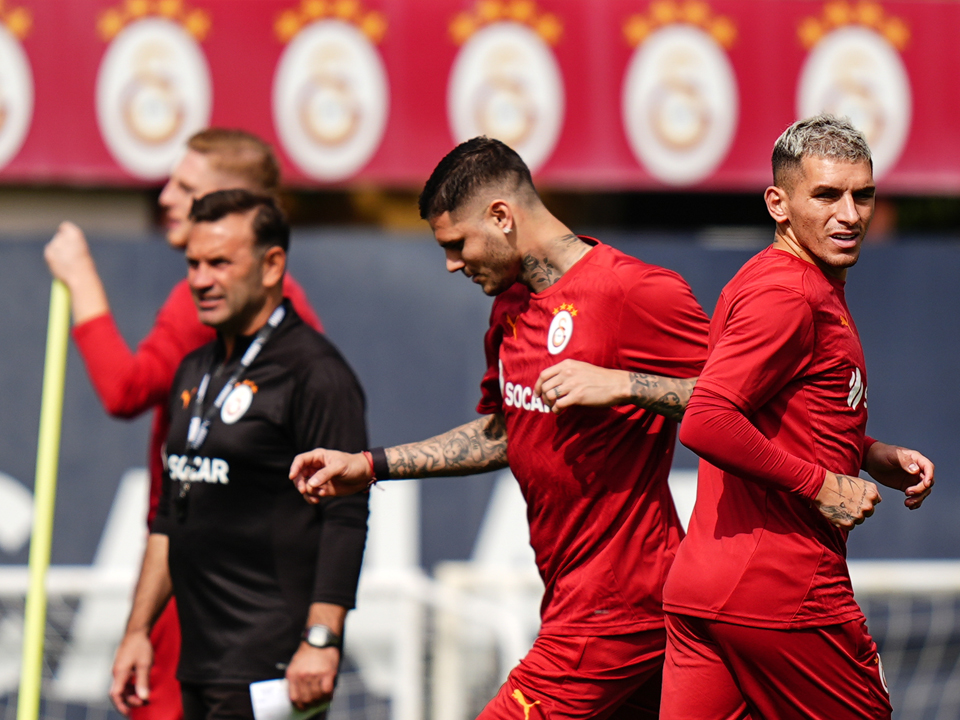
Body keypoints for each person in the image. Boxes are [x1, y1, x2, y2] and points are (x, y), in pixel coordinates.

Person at [290, 137, 710, 719]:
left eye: (457, 244)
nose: (452, 264)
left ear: (502, 217)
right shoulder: (511, 304)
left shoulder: (634, 292)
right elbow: (504, 434)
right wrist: (370, 465)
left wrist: (624, 384)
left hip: (619, 605)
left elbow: (738, 403)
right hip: (572, 598)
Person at [661, 116, 935, 720]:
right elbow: (707, 420)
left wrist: (867, 452)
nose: (850, 214)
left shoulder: (778, 279)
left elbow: (780, 410)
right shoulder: (790, 295)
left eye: (862, 194)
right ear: (778, 203)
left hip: (705, 588)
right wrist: (823, 485)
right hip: (783, 588)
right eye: (827, 195)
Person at [43, 129, 323, 719]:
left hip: (203, 577)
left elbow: (125, 390)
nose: (166, 196)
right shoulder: (287, 304)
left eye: (187, 187)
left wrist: (81, 277)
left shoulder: (213, 300)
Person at [109, 190, 369, 720]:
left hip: (273, 667)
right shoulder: (193, 370)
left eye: (220, 263)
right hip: (198, 664)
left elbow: (346, 517)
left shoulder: (315, 374)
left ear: (272, 264)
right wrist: (138, 633)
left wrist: (322, 638)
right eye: (194, 264)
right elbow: (169, 517)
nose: (201, 280)